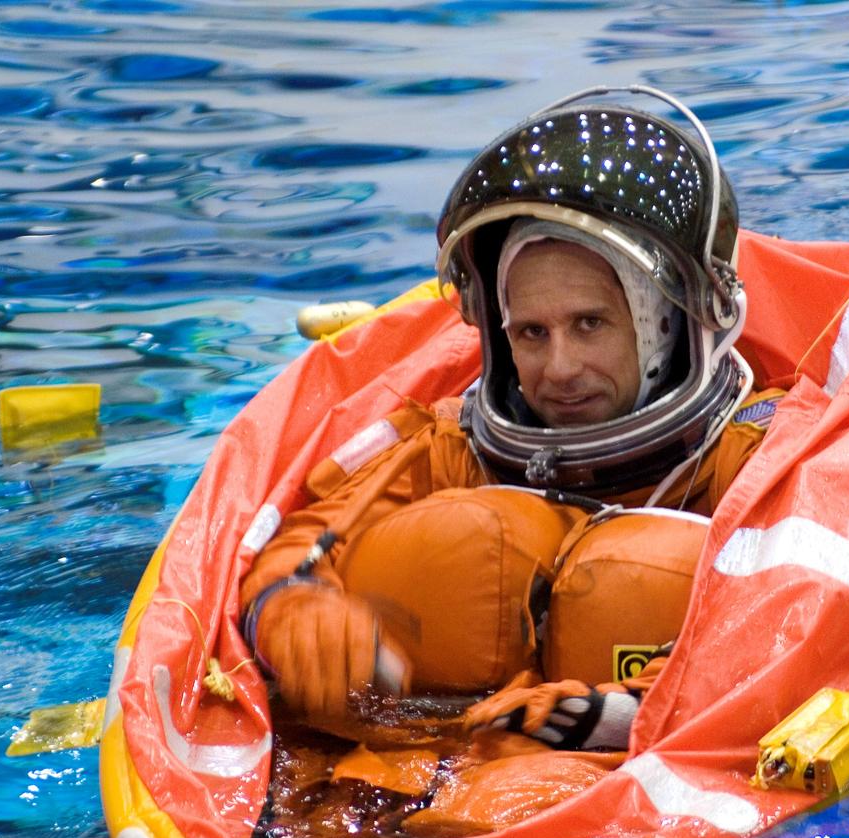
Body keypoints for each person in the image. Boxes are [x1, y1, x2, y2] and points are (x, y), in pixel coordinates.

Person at [239, 86, 783, 752]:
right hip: (422, 775)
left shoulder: (756, 455)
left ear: (667, 327)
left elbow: (807, 616)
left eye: (590, 324)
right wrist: (290, 608)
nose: (558, 367)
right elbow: (312, 536)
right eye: (531, 332)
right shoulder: (449, 447)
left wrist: (631, 713)